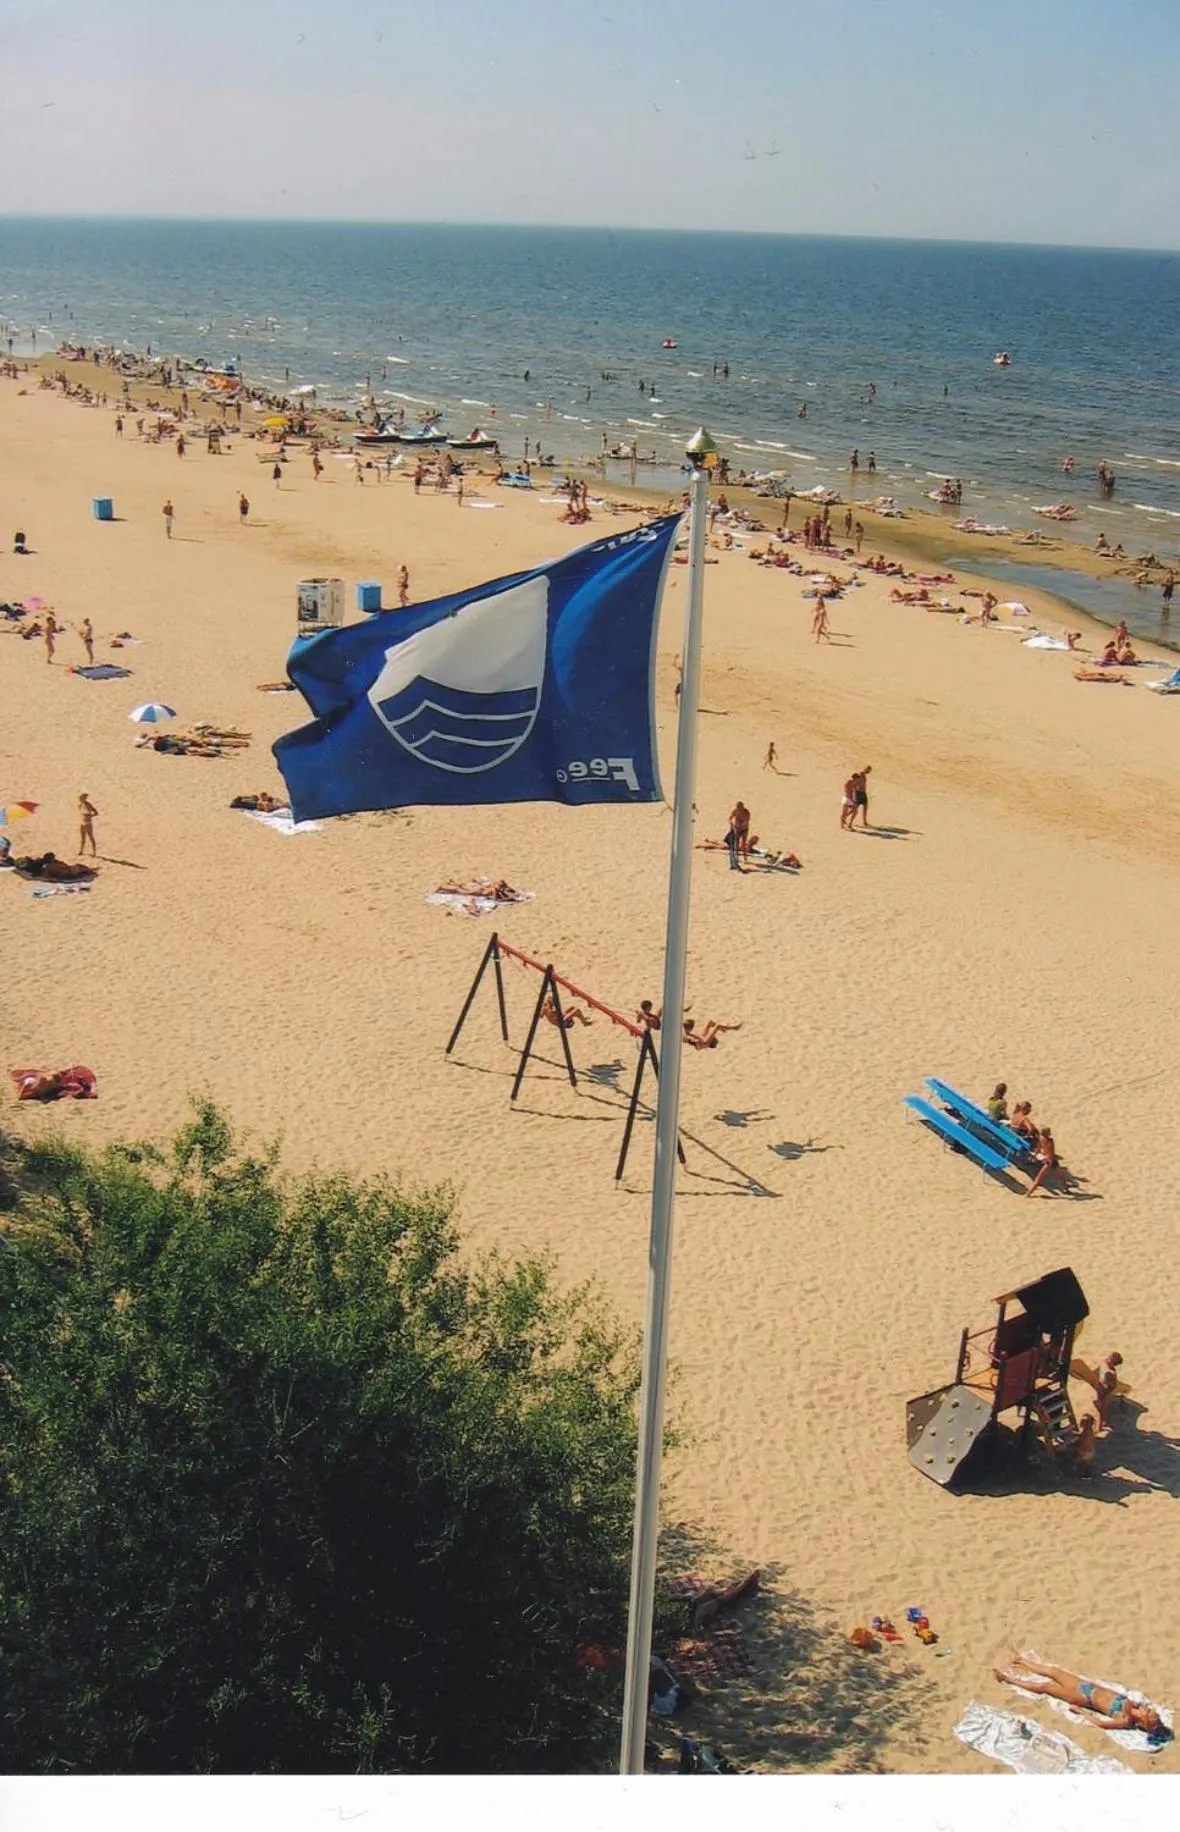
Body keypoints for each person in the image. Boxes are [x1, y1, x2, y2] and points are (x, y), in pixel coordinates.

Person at [994, 1652, 1164, 1738]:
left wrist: (1081, 1712)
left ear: (1142, 1721)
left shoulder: (1125, 1719)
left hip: (1084, 1698)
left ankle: (1007, 1679)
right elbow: (1130, 1702)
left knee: (1045, 1686)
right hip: (1087, 1687)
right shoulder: (1133, 1704)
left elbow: (1101, 1724)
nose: (1147, 1709)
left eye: (1148, 1713)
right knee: (1053, 1671)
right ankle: (1020, 1659)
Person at [1025, 1126, 1060, 1196]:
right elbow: (1052, 1152)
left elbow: (1038, 1149)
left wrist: (1034, 1157)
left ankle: (1066, 1188)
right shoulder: (1050, 1141)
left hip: (1048, 1160)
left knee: (1059, 1175)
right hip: (1051, 1161)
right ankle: (1028, 1193)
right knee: (1039, 1178)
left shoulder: (1041, 1139)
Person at [1095, 1351, 1125, 1430]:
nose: (1109, 1357)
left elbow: (1112, 1385)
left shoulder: (1111, 1372)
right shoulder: (1105, 1363)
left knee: (1103, 1409)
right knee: (1102, 1408)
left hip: (1104, 1391)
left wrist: (1107, 1392)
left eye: (1112, 1357)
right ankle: (1102, 1424)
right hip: (1101, 1388)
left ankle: (1101, 1425)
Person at [728, 799, 751, 867]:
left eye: (740, 808)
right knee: (736, 843)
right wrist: (731, 823)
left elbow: (747, 821)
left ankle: (745, 858)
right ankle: (737, 857)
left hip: (744, 829)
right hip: (737, 829)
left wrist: (741, 824)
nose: (739, 809)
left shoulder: (746, 812)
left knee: (743, 843)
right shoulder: (735, 811)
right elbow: (730, 818)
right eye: (738, 808)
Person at [77, 791, 98, 858]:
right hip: (82, 822)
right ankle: (81, 850)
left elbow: (96, 812)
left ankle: (94, 852)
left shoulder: (88, 804)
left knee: (91, 837)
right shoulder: (80, 805)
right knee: (83, 838)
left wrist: (90, 816)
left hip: (88, 823)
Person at [852, 764, 872, 829]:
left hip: (863, 793)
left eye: (869, 770)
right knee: (855, 809)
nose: (869, 772)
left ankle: (864, 821)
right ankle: (849, 821)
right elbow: (855, 784)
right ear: (865, 769)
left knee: (865, 807)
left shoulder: (864, 775)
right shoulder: (860, 774)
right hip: (859, 793)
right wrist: (855, 793)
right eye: (868, 770)